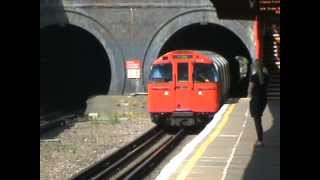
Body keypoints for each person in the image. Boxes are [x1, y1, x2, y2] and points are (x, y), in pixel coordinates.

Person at [248, 60, 270, 147]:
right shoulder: (266, 77)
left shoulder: (254, 77)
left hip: (256, 100)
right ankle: (259, 139)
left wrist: (249, 96)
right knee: (258, 119)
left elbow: (250, 88)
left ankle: (260, 141)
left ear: (255, 67)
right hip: (263, 99)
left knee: (257, 121)